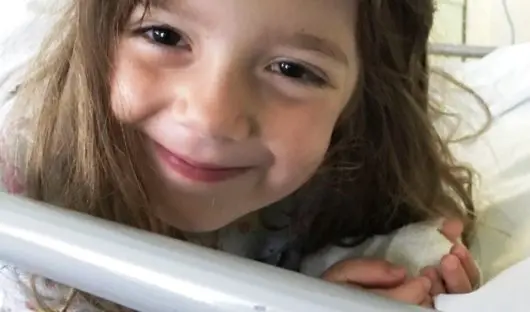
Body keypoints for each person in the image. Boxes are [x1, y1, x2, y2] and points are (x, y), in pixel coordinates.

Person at [0, 0, 481, 311]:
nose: (212, 117)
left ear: (359, 106)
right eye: (165, 36)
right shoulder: (21, 208)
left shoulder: (323, 190)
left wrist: (405, 267)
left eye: (292, 70)